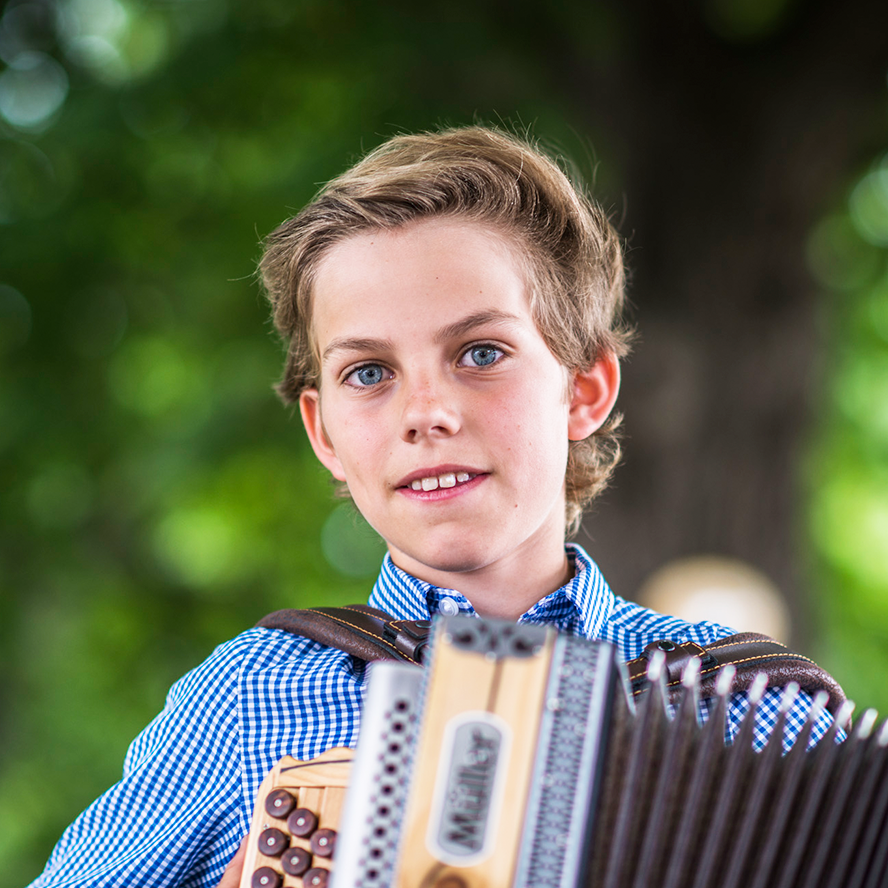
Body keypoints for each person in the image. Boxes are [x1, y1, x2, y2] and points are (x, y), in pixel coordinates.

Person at [28, 126, 837, 888]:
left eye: (480, 354)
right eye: (369, 373)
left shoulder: (751, 709)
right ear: (325, 434)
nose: (427, 412)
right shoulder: (247, 697)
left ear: (583, 390)